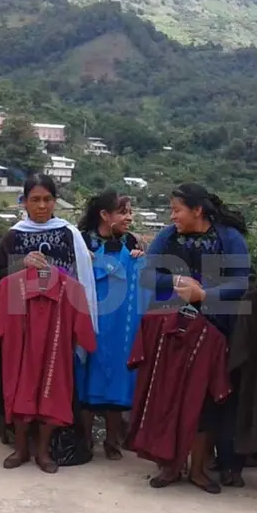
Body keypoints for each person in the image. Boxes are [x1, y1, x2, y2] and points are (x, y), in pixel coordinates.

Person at [145, 183, 250, 493]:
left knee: (206, 401)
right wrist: (175, 279)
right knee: (169, 396)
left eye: (177, 210)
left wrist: (203, 294)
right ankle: (170, 465)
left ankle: (199, 469)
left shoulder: (228, 238)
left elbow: (241, 281)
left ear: (198, 210)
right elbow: (146, 274)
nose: (172, 215)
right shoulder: (168, 236)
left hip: (215, 329)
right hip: (173, 327)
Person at [0, 176, 96, 473]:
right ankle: (21, 448)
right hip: (20, 312)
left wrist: (83, 318)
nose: (41, 206)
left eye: (47, 200)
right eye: (34, 199)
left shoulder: (69, 234)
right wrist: (20, 265)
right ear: (24, 202)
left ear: (54, 201)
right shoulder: (13, 237)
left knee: (54, 382)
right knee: (21, 380)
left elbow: (82, 277)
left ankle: (44, 451)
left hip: (60, 315)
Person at [75, 189, 144, 460]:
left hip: (120, 323)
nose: (129, 217)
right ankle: (85, 438)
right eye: (123, 212)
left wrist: (139, 259)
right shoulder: (82, 242)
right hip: (90, 316)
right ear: (105, 215)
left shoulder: (131, 243)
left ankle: (113, 441)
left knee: (119, 372)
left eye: (130, 212)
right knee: (86, 372)